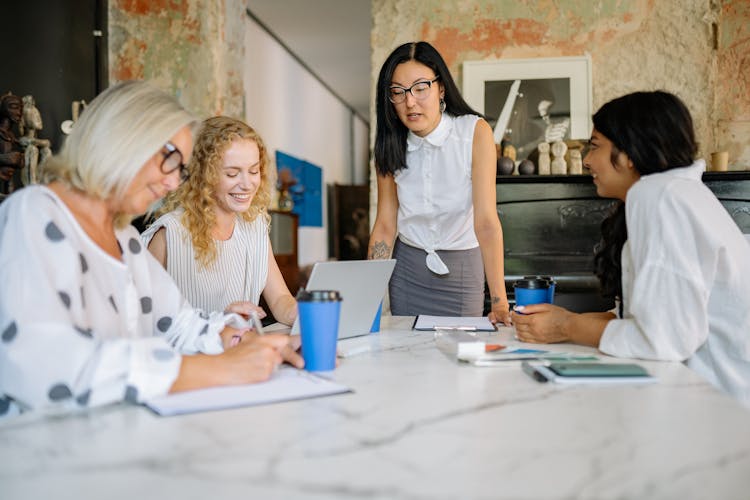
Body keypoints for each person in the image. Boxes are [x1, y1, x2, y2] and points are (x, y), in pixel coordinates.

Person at [0, 81, 302, 418]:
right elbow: (42, 362)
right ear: (125, 140)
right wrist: (220, 369)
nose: (174, 183)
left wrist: (243, 342)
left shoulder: (125, 239)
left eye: (182, 169)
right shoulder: (34, 214)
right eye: (170, 160)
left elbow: (179, 324)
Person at [512, 91, 750, 406]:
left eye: (595, 146)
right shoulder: (675, 193)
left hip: (720, 403)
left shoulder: (660, 197)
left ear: (630, 154)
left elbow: (663, 340)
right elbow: (648, 320)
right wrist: (566, 319)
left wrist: (565, 326)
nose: (586, 160)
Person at [368, 41, 511, 324]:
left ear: (441, 88)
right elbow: (385, 225)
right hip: (406, 269)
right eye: (398, 92)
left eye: (420, 88)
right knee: (407, 359)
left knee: (460, 360)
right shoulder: (390, 145)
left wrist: (500, 302)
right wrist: (368, 297)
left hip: (462, 268)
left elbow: (485, 222)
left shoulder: (474, 132)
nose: (410, 102)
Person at [142, 116, 297, 326]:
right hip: (194, 358)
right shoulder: (168, 234)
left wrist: (306, 315)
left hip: (242, 354)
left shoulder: (255, 226)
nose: (247, 184)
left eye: (253, 171)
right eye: (232, 174)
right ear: (203, 175)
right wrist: (217, 326)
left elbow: (280, 299)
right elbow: (146, 323)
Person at [0, 93, 25, 196]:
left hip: (9, 182)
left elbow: (19, 162)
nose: (19, 112)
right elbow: (8, 158)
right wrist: (4, 158)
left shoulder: (11, 136)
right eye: (14, 107)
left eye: (21, 108)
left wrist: (20, 160)